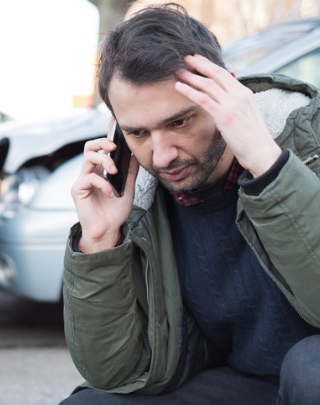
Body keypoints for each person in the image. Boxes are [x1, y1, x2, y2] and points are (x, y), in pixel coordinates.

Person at [60, 3, 320, 404]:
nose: (162, 156)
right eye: (138, 133)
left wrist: (269, 168)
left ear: (227, 96)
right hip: (245, 385)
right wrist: (99, 244)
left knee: (309, 367)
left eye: (179, 122)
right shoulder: (141, 199)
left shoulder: (309, 145)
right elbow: (115, 371)